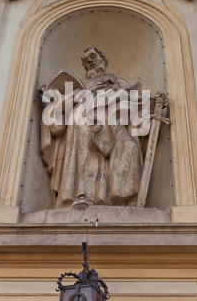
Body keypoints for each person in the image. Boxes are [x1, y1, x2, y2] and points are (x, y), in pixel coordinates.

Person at [40, 47, 145, 208]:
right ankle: (82, 194)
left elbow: (133, 102)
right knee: (83, 152)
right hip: (81, 119)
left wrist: (153, 103)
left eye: (92, 56)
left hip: (110, 121)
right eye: (85, 60)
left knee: (129, 148)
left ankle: (113, 198)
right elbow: (60, 110)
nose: (89, 61)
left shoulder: (118, 83)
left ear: (102, 59)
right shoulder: (80, 85)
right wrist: (59, 98)